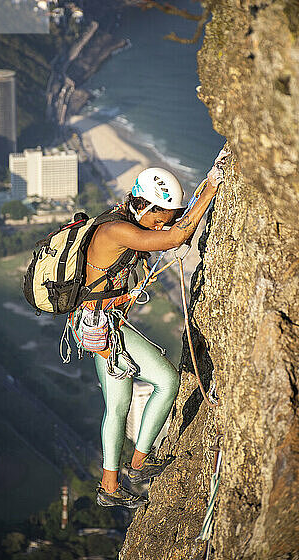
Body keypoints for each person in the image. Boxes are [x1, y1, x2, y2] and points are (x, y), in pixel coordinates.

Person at [70, 150, 228, 509]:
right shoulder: (119, 230)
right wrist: (211, 187)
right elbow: (175, 237)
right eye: (161, 217)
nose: (161, 224)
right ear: (147, 207)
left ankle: (110, 487)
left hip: (95, 325)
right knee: (167, 381)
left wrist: (203, 188)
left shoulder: (125, 219)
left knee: (118, 405)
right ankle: (139, 466)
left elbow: (175, 229)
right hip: (102, 328)